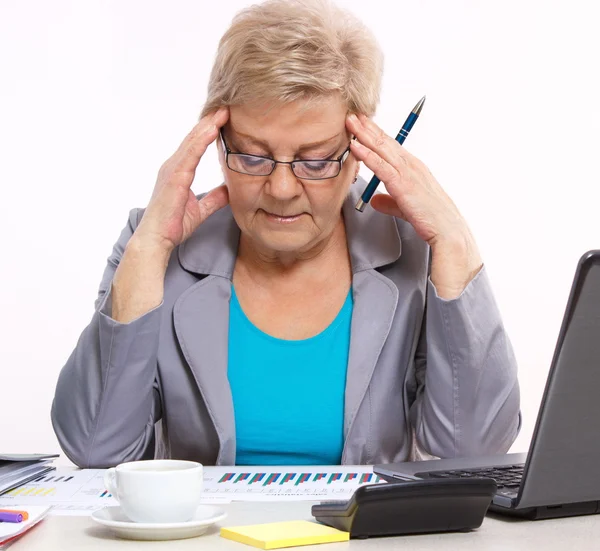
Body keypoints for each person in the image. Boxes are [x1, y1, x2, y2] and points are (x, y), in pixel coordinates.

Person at [51, 0, 520, 468]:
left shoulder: (415, 250)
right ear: (217, 141)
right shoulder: (152, 246)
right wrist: (150, 249)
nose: (279, 189)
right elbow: (96, 451)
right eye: (252, 156)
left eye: (315, 161)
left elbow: (472, 454)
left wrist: (455, 243)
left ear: (361, 152)